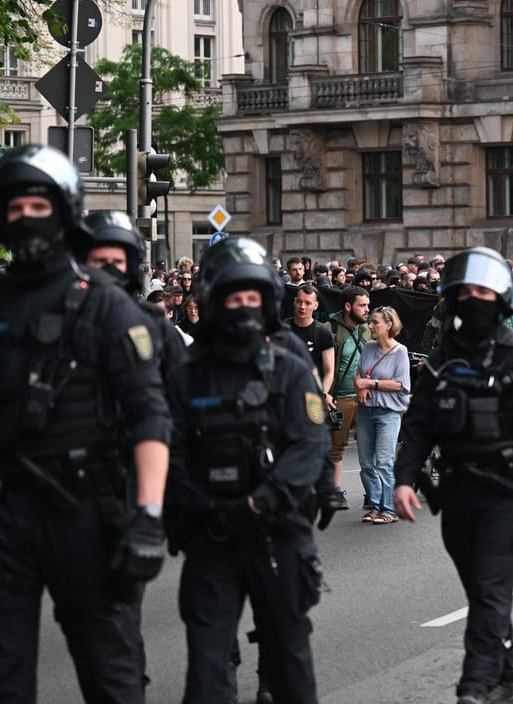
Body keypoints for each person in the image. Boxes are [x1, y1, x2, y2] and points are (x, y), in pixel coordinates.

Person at [0, 145, 172, 703]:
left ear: (63, 209)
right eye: (13, 206)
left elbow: (149, 414)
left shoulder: (106, 306)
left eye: (37, 204)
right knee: (4, 682)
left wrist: (148, 516)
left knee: (109, 675)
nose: (25, 217)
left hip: (85, 513)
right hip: (3, 514)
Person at [393, 246, 513, 704]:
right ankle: (507, 675)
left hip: (510, 494)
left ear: (499, 298)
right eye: (464, 291)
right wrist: (403, 479)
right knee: (482, 592)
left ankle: (473, 686)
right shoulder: (439, 363)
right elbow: (417, 426)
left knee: (492, 588)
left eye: (481, 290)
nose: (472, 298)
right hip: (456, 495)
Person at [166, 237, 328, 704]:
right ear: (214, 301)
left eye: (252, 297)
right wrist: (205, 504)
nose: (243, 306)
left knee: (289, 662)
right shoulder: (185, 374)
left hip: (277, 534)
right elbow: (168, 450)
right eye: (233, 297)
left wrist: (263, 500)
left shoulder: (290, 368)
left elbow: (309, 443)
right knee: (209, 666)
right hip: (210, 536)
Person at [354, 306, 411, 524]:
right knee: (366, 463)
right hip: (366, 410)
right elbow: (359, 373)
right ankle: (375, 506)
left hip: (388, 413)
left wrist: (372, 383)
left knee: (384, 462)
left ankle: (389, 509)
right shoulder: (368, 347)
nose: (371, 326)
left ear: (389, 324)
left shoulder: (400, 352)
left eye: (375, 322)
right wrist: (361, 386)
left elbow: (402, 385)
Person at [327, 286, 371, 508]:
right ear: (347, 307)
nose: (367, 310)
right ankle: (335, 492)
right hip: (340, 398)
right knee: (336, 447)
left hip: (367, 397)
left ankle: (371, 494)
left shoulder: (369, 330)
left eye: (367, 305)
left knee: (368, 448)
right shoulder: (330, 329)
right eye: (362, 305)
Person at [286, 283, 336, 398]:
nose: (302, 307)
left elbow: (329, 371)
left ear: (316, 305)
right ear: (294, 302)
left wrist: (322, 394)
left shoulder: (322, 332)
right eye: (299, 301)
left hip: (312, 392)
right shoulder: (284, 329)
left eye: (308, 303)